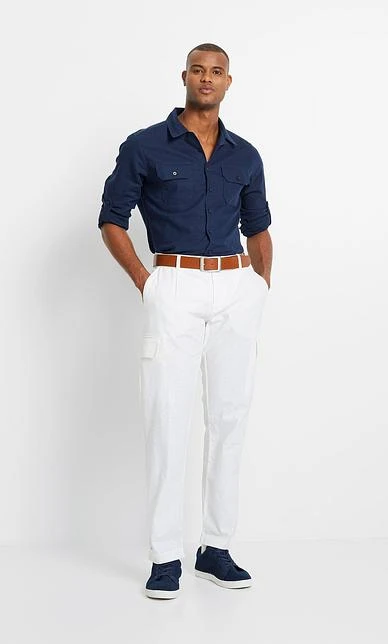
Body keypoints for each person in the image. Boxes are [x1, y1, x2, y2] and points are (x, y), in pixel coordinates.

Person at [98, 43, 273, 600]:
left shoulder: (245, 155)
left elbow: (258, 227)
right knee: (168, 418)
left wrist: (260, 287)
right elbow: (111, 218)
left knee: (230, 417)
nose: (207, 78)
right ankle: (165, 556)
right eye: (199, 70)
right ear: (185, 76)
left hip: (235, 286)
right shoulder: (146, 145)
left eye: (217, 71)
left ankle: (215, 548)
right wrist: (146, 281)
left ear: (228, 82)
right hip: (173, 283)